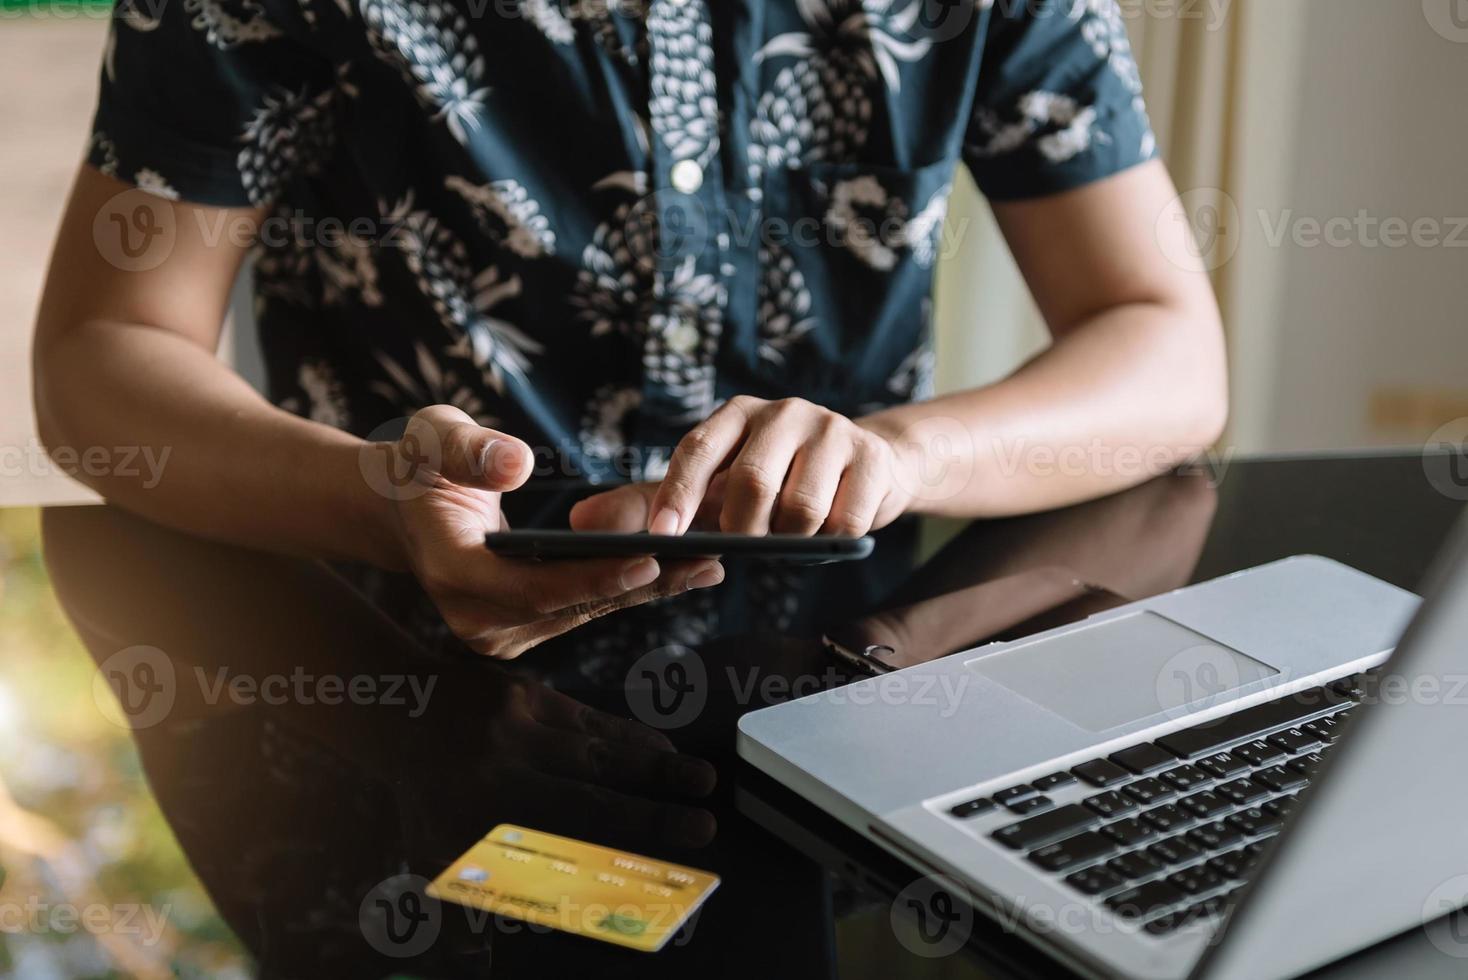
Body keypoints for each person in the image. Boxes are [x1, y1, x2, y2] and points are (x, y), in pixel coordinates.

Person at [33, 0, 1227, 659]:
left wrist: (904, 455)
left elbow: (1164, 343)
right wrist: (375, 501)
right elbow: (105, 351)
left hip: (849, 676)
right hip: (377, 677)